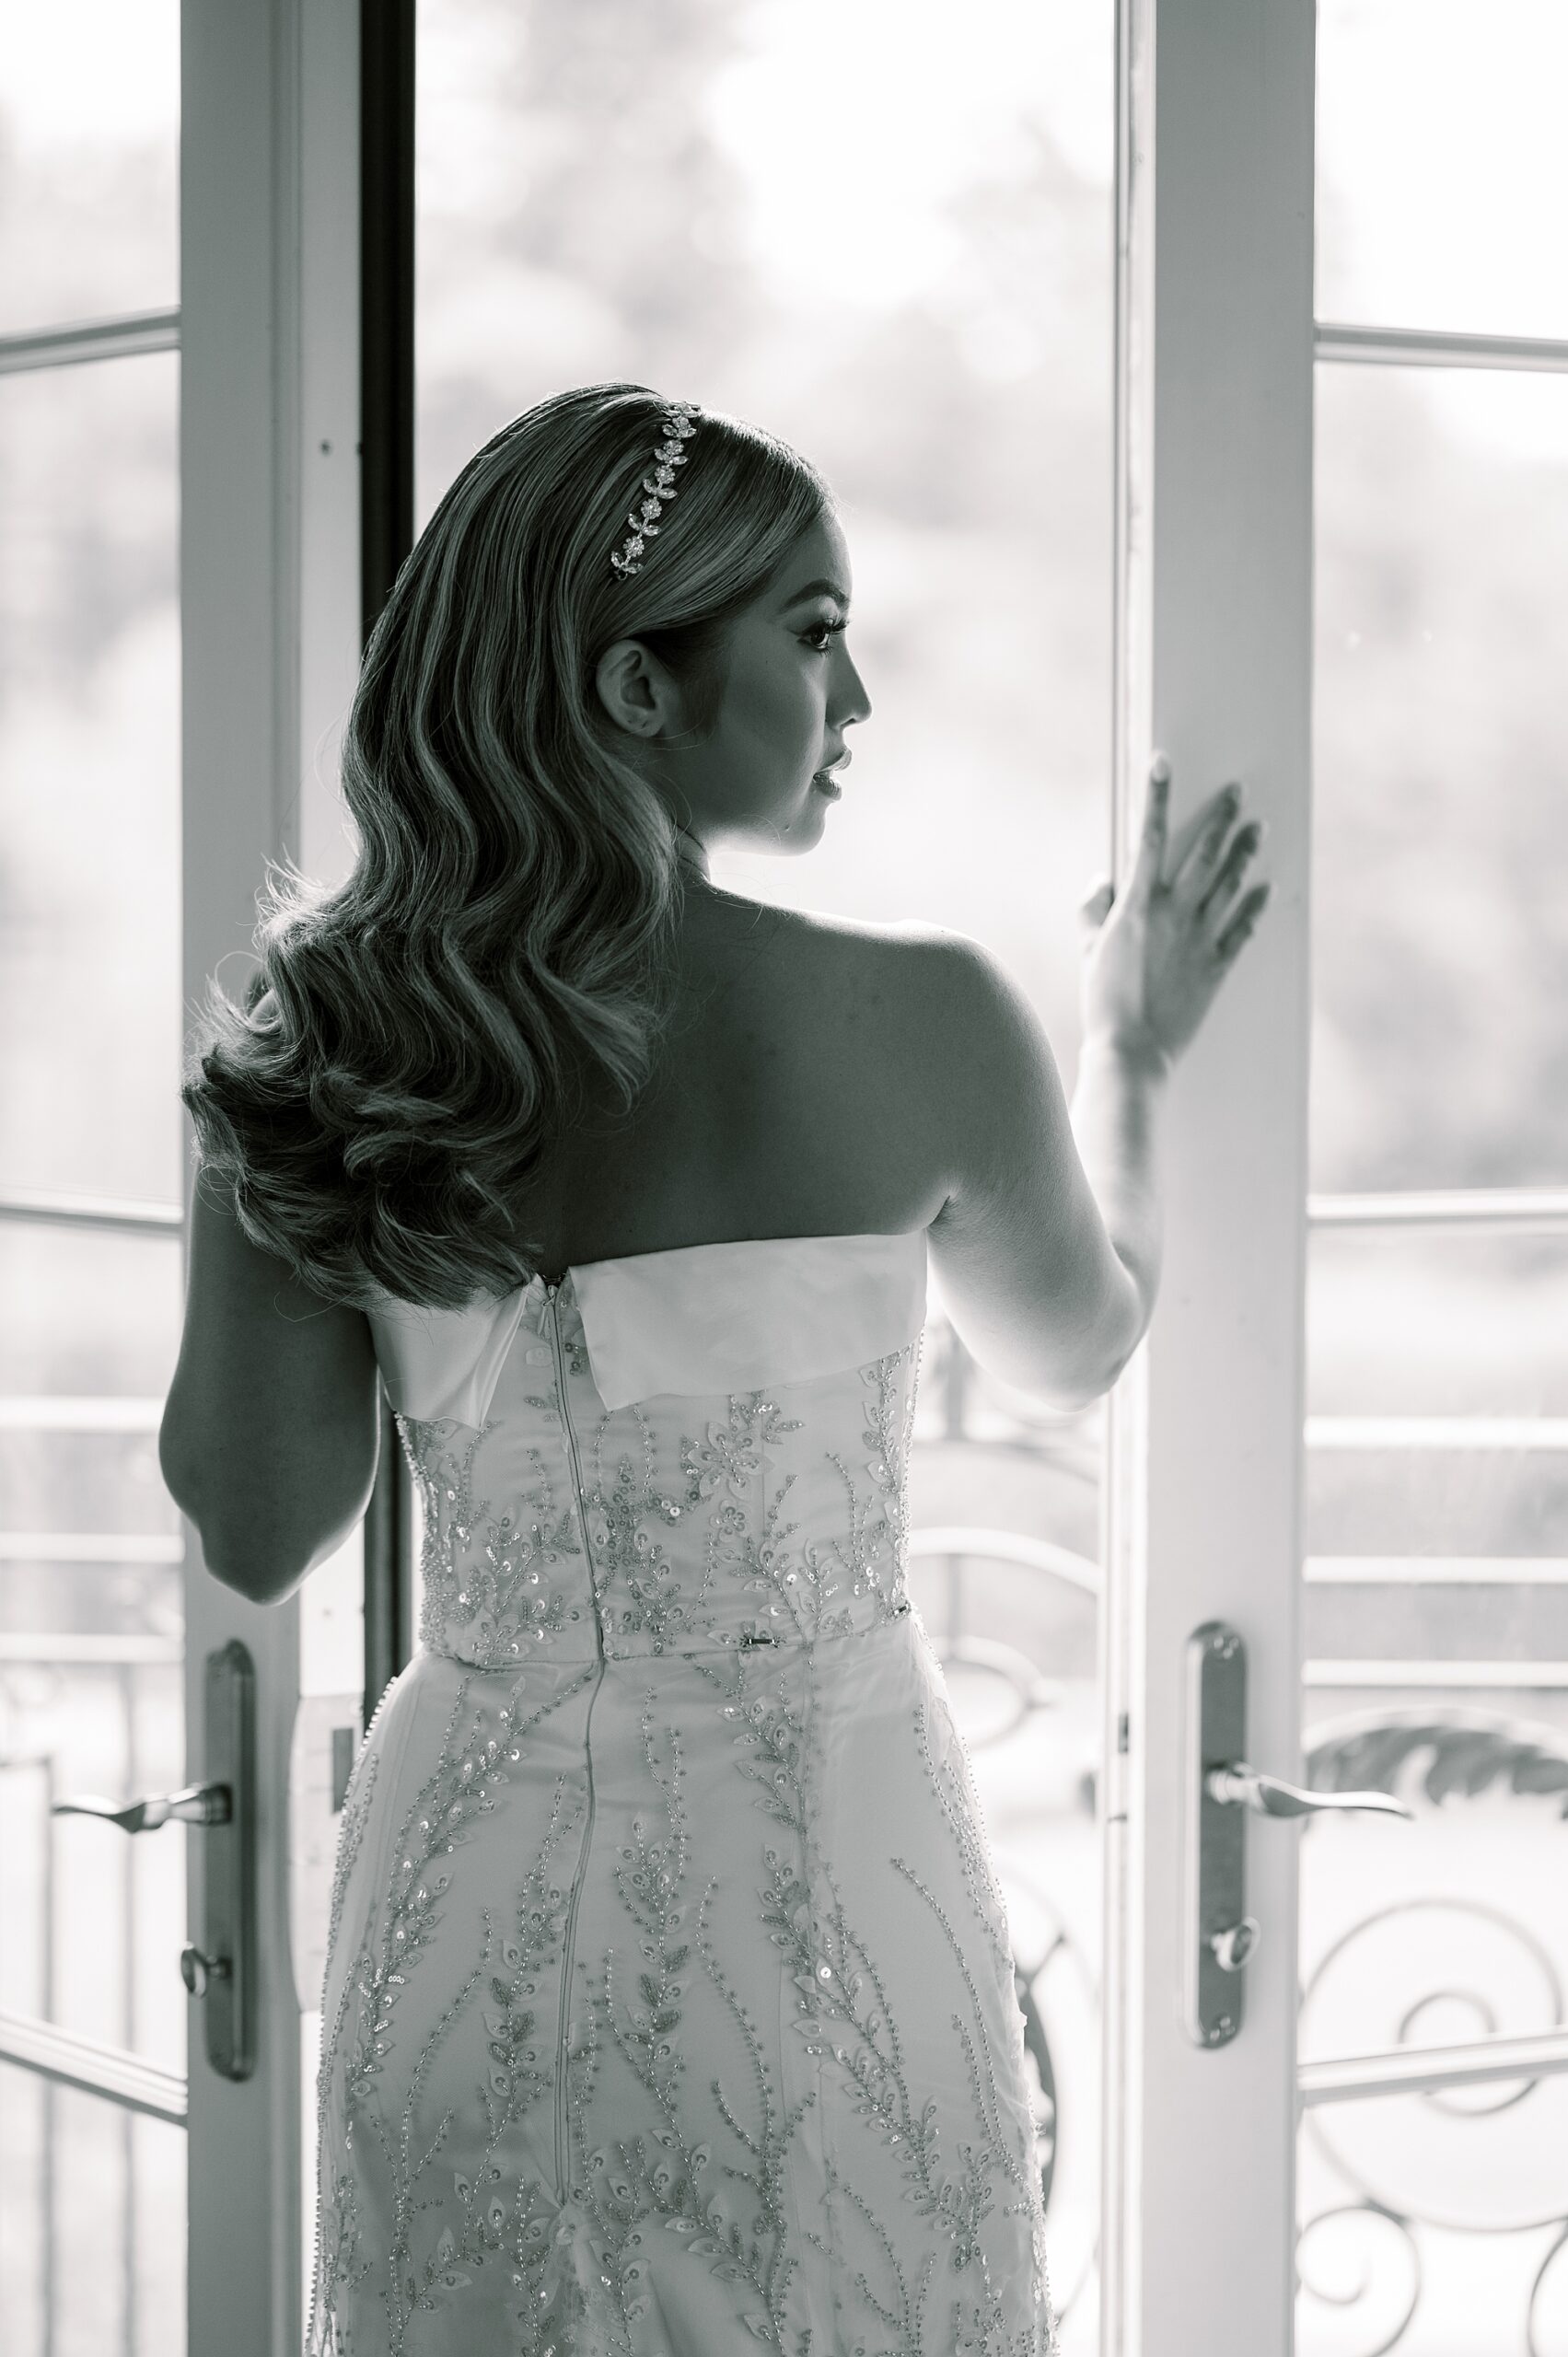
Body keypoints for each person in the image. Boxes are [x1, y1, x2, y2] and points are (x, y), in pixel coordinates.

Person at [159, 384, 1269, 2357]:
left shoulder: (330, 1044)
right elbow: (1083, 1345)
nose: (861, 700)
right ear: (637, 686)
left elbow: (259, 1520)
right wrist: (1139, 1054)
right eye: (819, 634)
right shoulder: (921, 1022)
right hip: (831, 1903)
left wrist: (261, 1111)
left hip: (468, 1906)